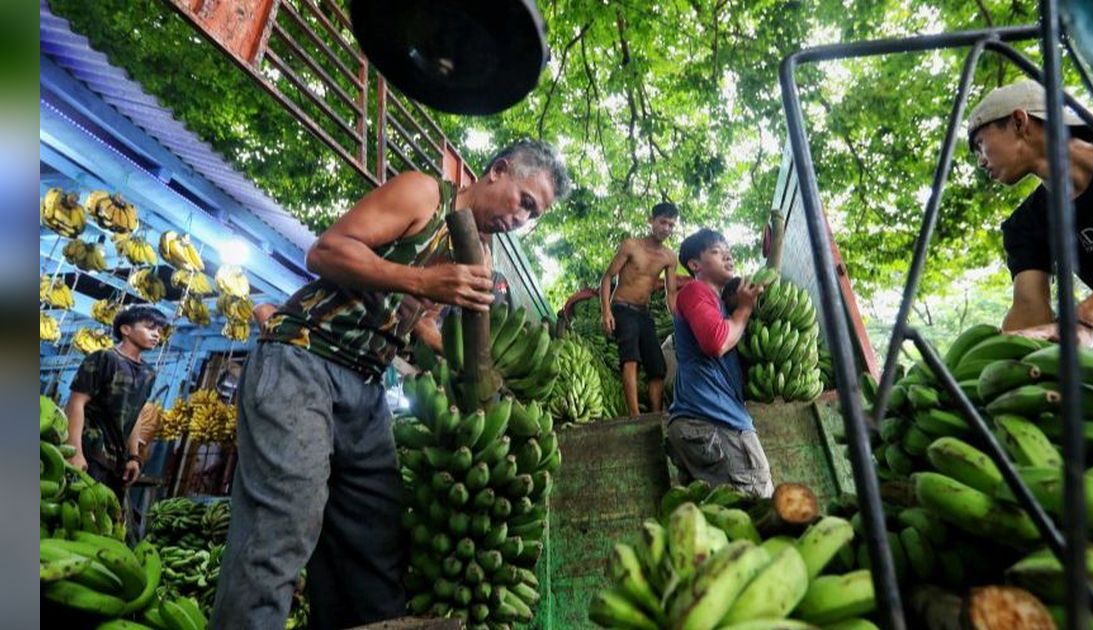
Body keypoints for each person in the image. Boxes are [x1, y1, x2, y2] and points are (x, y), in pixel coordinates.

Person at [211, 140, 570, 629]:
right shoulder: (424, 195)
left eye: (534, 216)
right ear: (498, 171)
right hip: (303, 359)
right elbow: (327, 250)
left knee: (375, 540)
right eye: (525, 201)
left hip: (364, 383)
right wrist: (423, 283)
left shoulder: (477, 254)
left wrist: (469, 364)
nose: (522, 219)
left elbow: (416, 326)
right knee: (282, 527)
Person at [968, 80, 1093, 382]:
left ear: (1020, 121)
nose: (979, 161)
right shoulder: (1026, 226)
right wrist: (995, 368)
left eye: (979, 143)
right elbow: (1029, 307)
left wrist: (1084, 323)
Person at [665, 229, 773, 498]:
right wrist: (745, 309)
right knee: (756, 507)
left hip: (703, 425)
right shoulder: (695, 290)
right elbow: (716, 342)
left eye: (728, 250)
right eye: (716, 251)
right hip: (714, 422)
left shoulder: (720, 306)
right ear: (695, 265)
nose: (727, 254)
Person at [65, 305, 166, 501]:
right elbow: (76, 403)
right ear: (126, 329)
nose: (156, 335)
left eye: (159, 331)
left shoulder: (148, 373)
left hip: (118, 461)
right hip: (91, 451)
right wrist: (74, 451)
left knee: (107, 518)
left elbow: (135, 414)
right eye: (149, 328)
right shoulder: (104, 358)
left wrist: (134, 456)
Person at [599, 202, 680, 415]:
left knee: (657, 367)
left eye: (671, 225)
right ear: (651, 220)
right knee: (631, 358)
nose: (666, 228)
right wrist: (606, 311)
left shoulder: (670, 257)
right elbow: (607, 277)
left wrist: (679, 321)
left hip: (644, 313)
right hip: (622, 308)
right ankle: (635, 416)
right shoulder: (631, 246)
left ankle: (655, 415)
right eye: (663, 222)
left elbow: (671, 294)